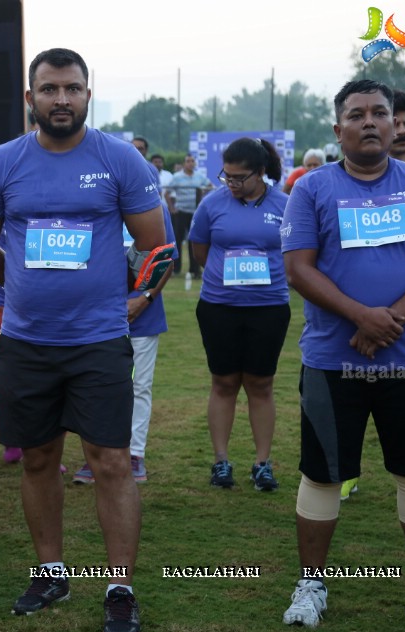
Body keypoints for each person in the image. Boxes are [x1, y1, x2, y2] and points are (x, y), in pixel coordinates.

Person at [0, 47, 165, 632]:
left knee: (110, 462)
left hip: (99, 341)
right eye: (49, 89)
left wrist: (133, 302)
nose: (61, 99)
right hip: (27, 341)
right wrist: (22, 283)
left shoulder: (118, 160)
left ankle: (120, 588)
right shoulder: (1, 164)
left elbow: (157, 247)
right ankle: (51, 572)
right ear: (30, 99)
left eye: (72, 89)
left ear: (87, 95)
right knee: (38, 458)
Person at [280, 79, 405, 632]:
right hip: (332, 360)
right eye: (356, 114)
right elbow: (299, 269)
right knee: (322, 475)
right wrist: (362, 316)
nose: (369, 122)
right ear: (337, 128)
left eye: (379, 113)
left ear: (396, 124)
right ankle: (311, 585)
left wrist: (391, 321)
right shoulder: (311, 188)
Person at [73, 136, 179, 485]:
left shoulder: (153, 206)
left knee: (139, 387)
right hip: (94, 315)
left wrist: (143, 299)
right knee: (93, 387)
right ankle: (97, 455)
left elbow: (166, 260)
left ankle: (134, 455)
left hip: (142, 315)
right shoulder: (94, 205)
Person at [186, 137, 290, 492]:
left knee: (261, 385)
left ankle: (262, 463)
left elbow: (295, 251)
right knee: (224, 382)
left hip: (269, 308)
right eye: (225, 176)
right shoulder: (212, 204)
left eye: (238, 178)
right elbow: (199, 248)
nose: (230, 184)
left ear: (261, 173)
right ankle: (221, 461)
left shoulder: (285, 205)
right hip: (219, 307)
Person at [166, 153, 213, 276]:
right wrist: (171, 208)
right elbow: (167, 192)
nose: (191, 163)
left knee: (195, 241)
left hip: (195, 213)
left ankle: (195, 270)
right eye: (188, 161)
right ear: (184, 163)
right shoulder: (177, 177)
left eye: (192, 161)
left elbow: (210, 186)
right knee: (177, 240)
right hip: (180, 212)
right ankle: (176, 269)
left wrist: (203, 193)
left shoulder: (199, 177)